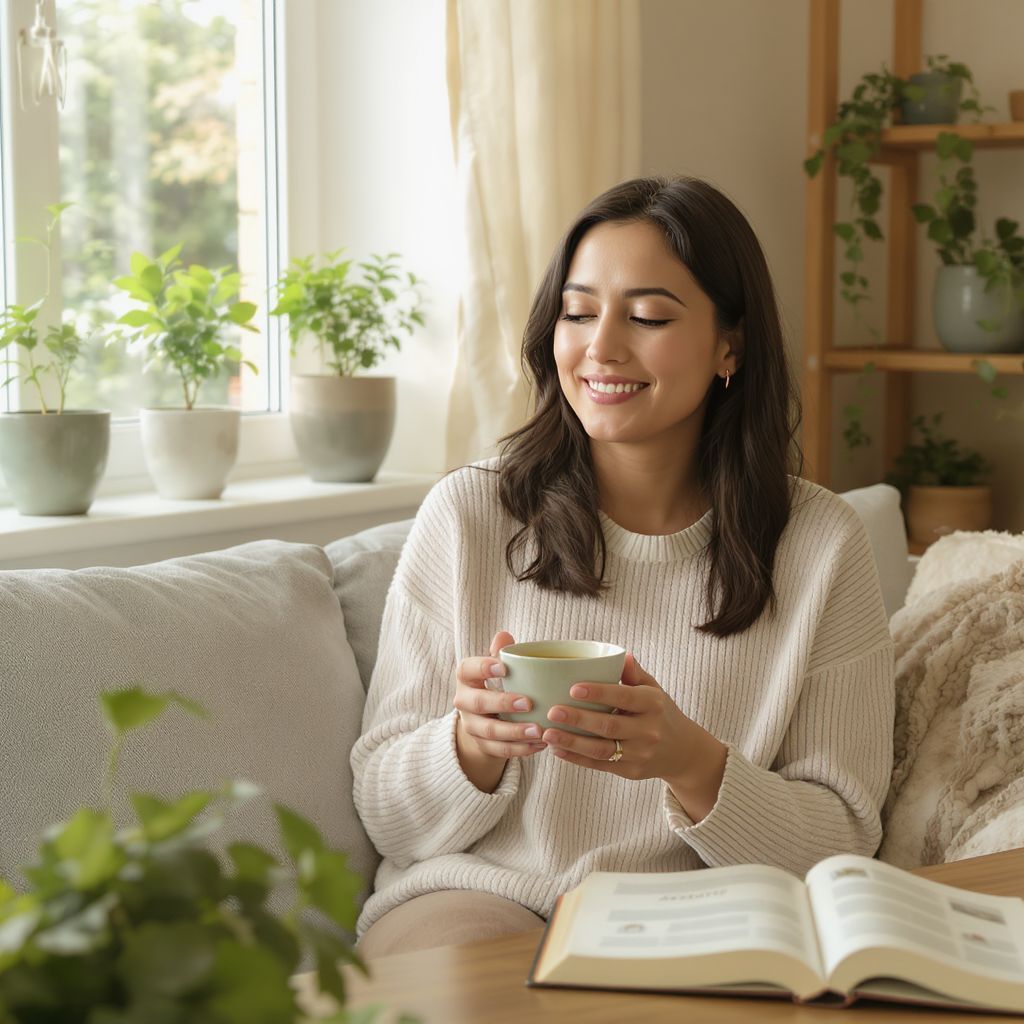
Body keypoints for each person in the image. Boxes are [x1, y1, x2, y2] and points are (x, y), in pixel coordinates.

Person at [351, 176, 895, 958]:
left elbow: (841, 841)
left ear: (731, 346)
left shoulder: (820, 544)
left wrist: (691, 763)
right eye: (578, 313)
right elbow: (386, 816)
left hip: (700, 917)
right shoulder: (470, 515)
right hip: (475, 896)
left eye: (647, 317)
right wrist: (471, 744)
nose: (601, 347)